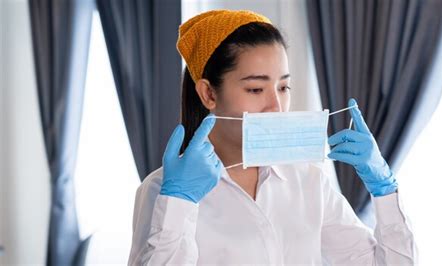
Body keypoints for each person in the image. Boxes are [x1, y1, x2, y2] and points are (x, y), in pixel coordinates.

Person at [128, 9, 417, 265]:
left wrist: (384, 188)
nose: (276, 107)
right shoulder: (161, 190)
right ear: (208, 93)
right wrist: (179, 203)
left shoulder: (308, 181)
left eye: (283, 88)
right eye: (256, 89)